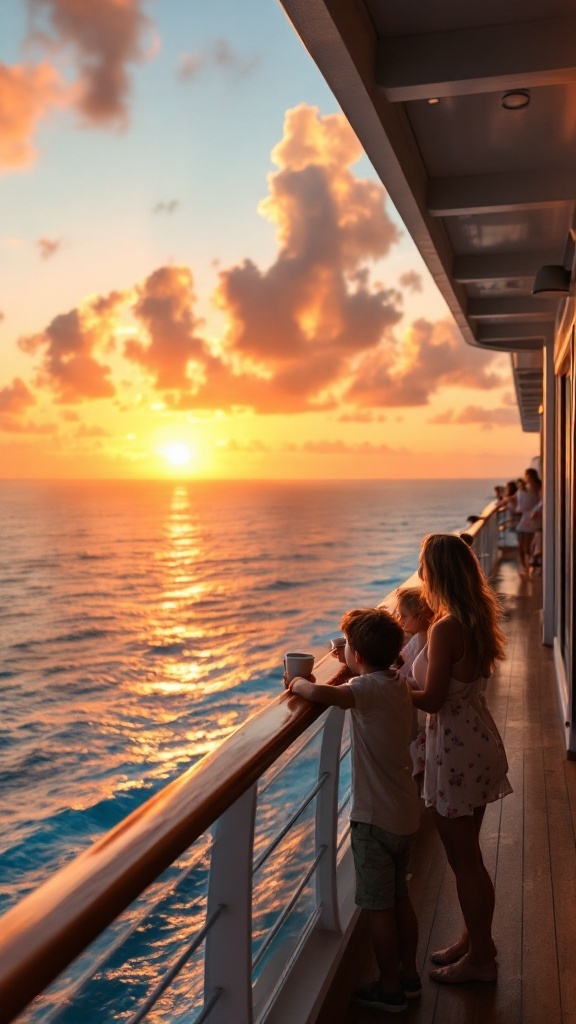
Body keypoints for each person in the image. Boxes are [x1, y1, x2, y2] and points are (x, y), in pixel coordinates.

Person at [288, 607, 422, 1012]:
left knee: (378, 908)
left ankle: (389, 989)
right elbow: (377, 686)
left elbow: (325, 694)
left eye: (348, 650)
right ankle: (409, 974)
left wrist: (296, 682)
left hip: (373, 821)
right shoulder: (399, 684)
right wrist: (353, 662)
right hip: (405, 814)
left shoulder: (362, 690)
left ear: (357, 658)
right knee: (401, 898)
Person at [409, 534, 511, 985]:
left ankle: (482, 961)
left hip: (453, 751)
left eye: (423, 565)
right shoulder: (474, 617)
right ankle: (475, 940)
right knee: (471, 857)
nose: (421, 573)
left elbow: (430, 700)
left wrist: (381, 686)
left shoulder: (445, 627)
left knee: (464, 860)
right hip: (476, 742)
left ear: (436, 572)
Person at [395, 586, 433, 773]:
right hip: (423, 716)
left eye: (404, 616)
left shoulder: (426, 641)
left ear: (420, 615)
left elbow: (401, 669)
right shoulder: (421, 637)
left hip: (424, 717)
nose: (399, 621)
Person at [516, 467, 542, 575]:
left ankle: (525, 568)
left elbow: (521, 507)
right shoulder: (539, 488)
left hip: (528, 520)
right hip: (533, 520)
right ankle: (528, 566)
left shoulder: (526, 489)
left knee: (524, 547)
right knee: (528, 547)